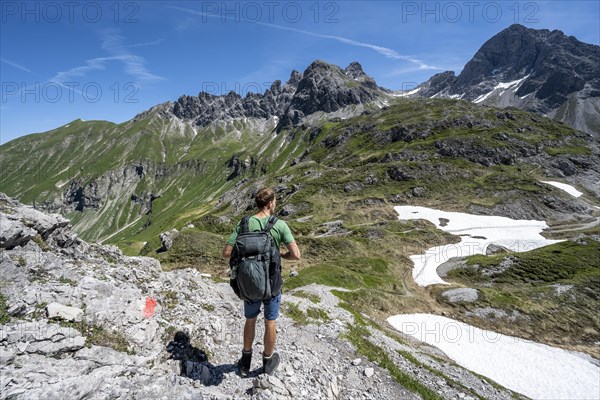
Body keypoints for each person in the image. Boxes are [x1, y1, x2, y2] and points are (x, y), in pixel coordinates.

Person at [222, 188, 301, 376]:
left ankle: (245, 362)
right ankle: (267, 361)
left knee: (250, 320)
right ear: (270, 203)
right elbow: (296, 255)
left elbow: (226, 252)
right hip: (272, 284)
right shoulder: (279, 225)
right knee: (270, 322)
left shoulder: (244, 223)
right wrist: (280, 254)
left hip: (249, 284)